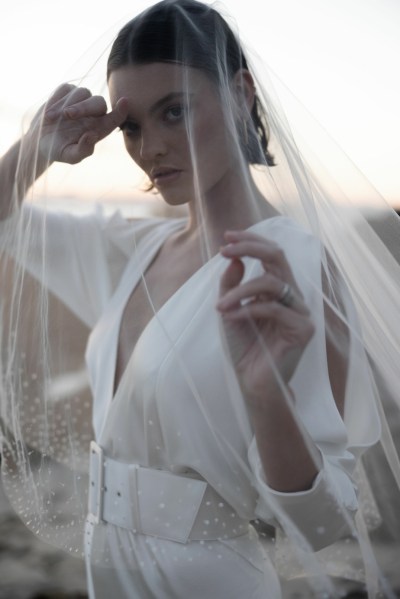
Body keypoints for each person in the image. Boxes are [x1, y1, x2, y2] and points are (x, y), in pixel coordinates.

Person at [0, 1, 399, 597]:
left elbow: (323, 524)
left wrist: (267, 395)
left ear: (240, 94)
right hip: (103, 570)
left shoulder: (291, 266)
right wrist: (33, 149)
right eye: (133, 126)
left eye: (176, 112)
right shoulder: (135, 247)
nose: (151, 147)